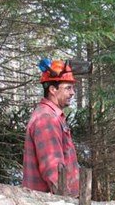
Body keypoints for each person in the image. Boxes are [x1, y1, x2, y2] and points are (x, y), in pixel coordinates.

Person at [22, 59, 79, 196]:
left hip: (55, 204)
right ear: (53, 89)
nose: (72, 93)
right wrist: (67, 204)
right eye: (67, 88)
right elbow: (54, 170)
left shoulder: (53, 116)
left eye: (72, 88)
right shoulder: (46, 119)